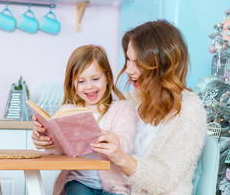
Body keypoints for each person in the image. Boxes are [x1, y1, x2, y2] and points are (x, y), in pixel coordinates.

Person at [90, 20, 207, 195]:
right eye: (128, 59)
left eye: (137, 63)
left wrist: (122, 158)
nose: (128, 70)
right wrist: (51, 137)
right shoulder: (131, 100)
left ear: (163, 65)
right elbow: (95, 126)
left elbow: (164, 178)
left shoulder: (189, 110)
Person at [31, 45, 136, 195]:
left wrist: (109, 141)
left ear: (107, 77)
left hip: (114, 186)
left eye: (95, 78)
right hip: (79, 182)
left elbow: (126, 145)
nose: (89, 86)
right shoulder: (66, 112)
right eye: (81, 81)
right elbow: (57, 149)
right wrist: (43, 138)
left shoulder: (122, 109)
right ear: (72, 84)